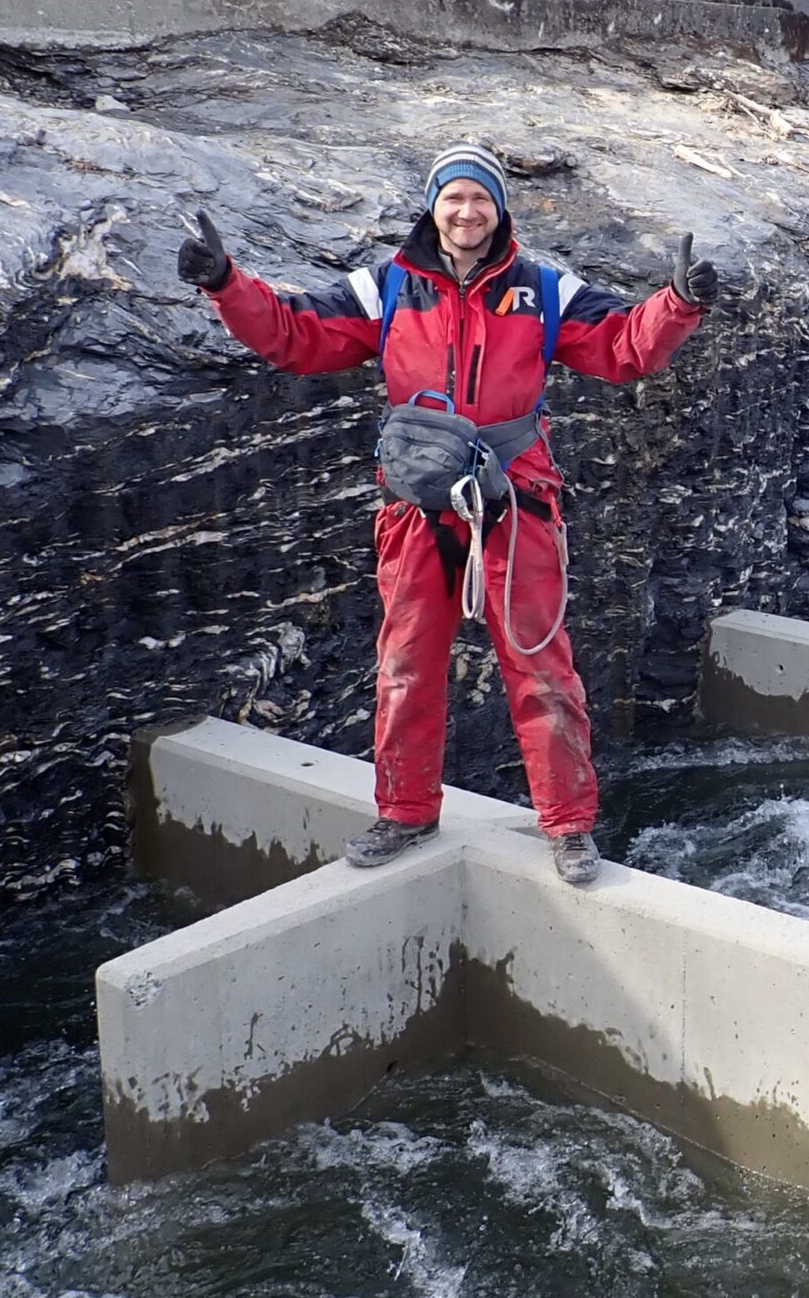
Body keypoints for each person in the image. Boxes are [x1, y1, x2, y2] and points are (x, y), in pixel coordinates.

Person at [177, 141, 718, 883]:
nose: (467, 211)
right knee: (405, 665)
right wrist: (225, 284)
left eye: (481, 198)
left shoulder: (544, 290)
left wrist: (677, 304)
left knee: (543, 668)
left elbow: (624, 346)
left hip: (516, 500)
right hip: (417, 505)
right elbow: (295, 334)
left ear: (500, 209)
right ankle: (404, 812)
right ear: (433, 206)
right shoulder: (386, 286)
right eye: (453, 197)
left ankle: (568, 826)